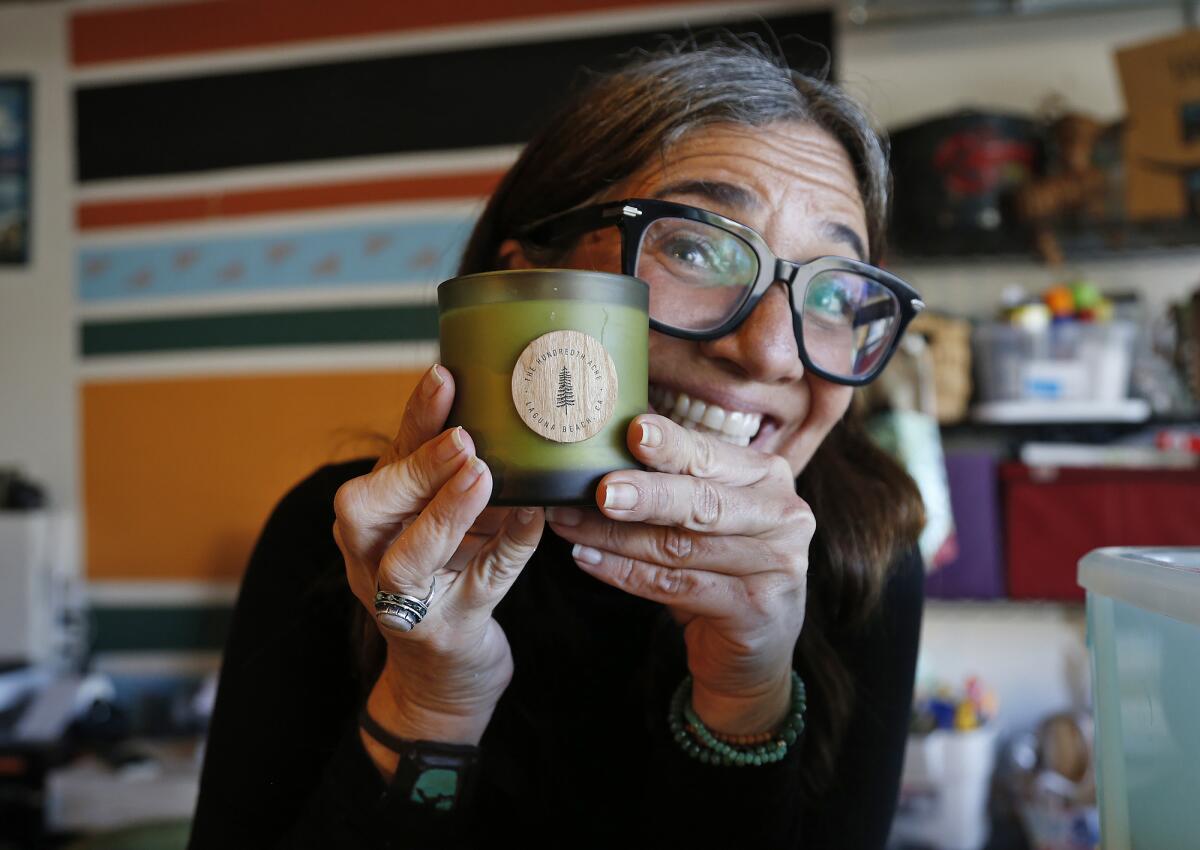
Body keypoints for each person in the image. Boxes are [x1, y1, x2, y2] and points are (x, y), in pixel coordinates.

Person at [189, 38, 927, 850]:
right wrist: (429, 704)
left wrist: (746, 698)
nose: (771, 352)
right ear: (517, 287)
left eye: (834, 291)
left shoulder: (864, 562)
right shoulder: (343, 543)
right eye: (695, 247)